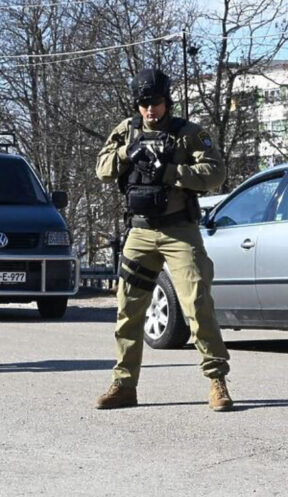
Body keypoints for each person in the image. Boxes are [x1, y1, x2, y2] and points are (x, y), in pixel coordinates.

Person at [94, 68, 233, 411]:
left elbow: (216, 173)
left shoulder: (186, 133)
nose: (149, 110)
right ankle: (124, 385)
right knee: (128, 309)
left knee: (198, 302)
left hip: (178, 231)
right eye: (143, 104)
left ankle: (217, 380)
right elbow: (101, 168)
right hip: (140, 231)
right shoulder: (127, 130)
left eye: (155, 102)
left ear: (166, 101)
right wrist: (128, 153)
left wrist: (171, 173)